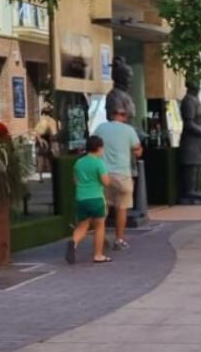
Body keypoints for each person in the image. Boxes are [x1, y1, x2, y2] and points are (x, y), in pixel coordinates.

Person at [92, 102, 142, 251]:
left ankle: (102, 238)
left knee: (102, 208)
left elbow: (91, 146)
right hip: (122, 174)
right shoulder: (129, 130)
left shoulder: (100, 128)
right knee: (122, 209)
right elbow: (138, 151)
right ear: (124, 116)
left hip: (102, 174)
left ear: (111, 115)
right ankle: (119, 240)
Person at [65, 135, 111, 264]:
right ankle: (98, 255)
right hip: (96, 198)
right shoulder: (99, 163)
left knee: (82, 226)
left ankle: (73, 243)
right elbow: (106, 182)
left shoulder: (79, 163)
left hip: (81, 198)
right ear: (98, 148)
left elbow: (75, 181)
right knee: (99, 226)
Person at [33, 103, 59, 176]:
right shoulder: (53, 121)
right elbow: (55, 132)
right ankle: (52, 175)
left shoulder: (42, 121)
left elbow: (36, 133)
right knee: (49, 160)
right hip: (49, 141)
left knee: (41, 159)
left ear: (43, 113)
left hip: (42, 142)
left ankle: (40, 177)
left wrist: (40, 141)